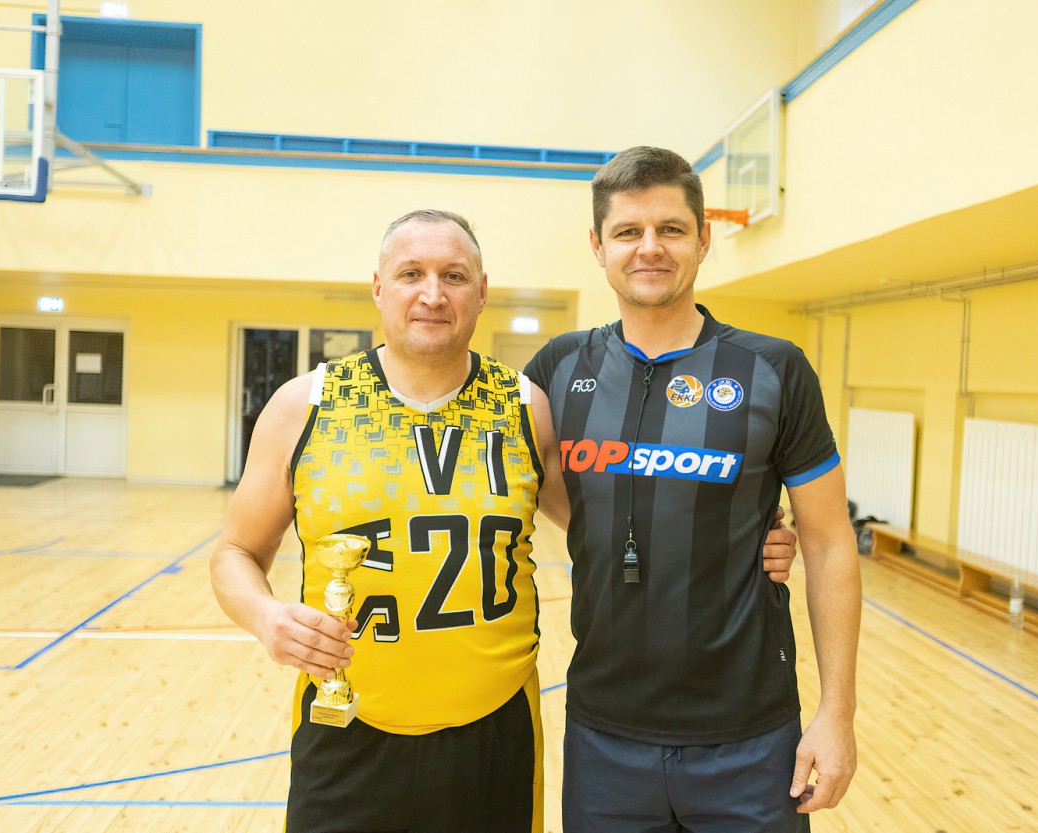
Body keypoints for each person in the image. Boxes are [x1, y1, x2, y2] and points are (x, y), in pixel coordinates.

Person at [209, 208, 800, 833]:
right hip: (347, 728)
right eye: (411, 274)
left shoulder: (525, 406)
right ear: (379, 287)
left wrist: (742, 533)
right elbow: (234, 553)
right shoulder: (304, 406)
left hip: (494, 735)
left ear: (482, 290)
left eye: (454, 276)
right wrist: (267, 618)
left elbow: (610, 520)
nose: (433, 294)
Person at [524, 146, 862, 832]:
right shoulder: (558, 367)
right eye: (628, 231)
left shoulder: (773, 368)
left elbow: (829, 543)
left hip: (751, 736)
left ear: (704, 240)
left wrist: (837, 713)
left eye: (671, 229)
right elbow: (539, 485)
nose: (649, 247)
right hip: (604, 734)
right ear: (598, 246)